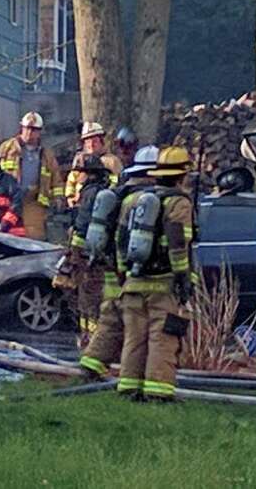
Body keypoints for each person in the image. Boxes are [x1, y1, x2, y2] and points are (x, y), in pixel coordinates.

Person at [114, 146, 194, 401]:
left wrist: (124, 274)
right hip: (163, 283)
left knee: (134, 338)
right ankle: (158, 394)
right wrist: (183, 278)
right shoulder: (179, 203)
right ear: (182, 175)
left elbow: (120, 240)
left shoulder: (133, 200)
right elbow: (180, 244)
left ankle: (128, 389)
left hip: (133, 282)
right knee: (163, 338)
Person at [77, 145, 159, 379]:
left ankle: (91, 364)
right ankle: (134, 376)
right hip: (132, 271)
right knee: (136, 327)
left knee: (111, 320)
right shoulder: (146, 200)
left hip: (112, 268)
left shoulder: (119, 194)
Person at [61, 154, 112, 347]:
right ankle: (88, 335)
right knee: (88, 292)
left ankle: (88, 337)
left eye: (79, 172)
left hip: (81, 250)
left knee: (85, 293)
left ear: (89, 174)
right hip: (92, 250)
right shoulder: (102, 191)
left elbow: (82, 223)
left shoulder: (89, 192)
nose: (77, 176)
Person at [0, 111, 63, 242]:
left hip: (34, 201)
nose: (29, 132)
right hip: (9, 201)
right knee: (7, 236)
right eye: (27, 128)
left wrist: (58, 199)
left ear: (40, 132)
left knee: (34, 238)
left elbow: (56, 179)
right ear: (21, 128)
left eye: (34, 130)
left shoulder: (46, 155)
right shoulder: (7, 148)